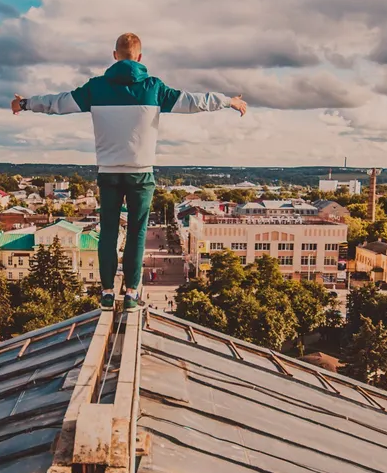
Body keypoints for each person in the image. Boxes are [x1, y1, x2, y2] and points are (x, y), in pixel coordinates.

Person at [13, 32, 247, 311]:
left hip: (108, 174)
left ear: (115, 56)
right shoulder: (154, 88)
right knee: (137, 233)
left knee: (109, 233)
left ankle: (107, 293)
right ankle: (133, 293)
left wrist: (25, 103)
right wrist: (228, 101)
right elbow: (195, 101)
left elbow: (57, 103)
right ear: (140, 57)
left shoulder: (96, 88)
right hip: (141, 174)